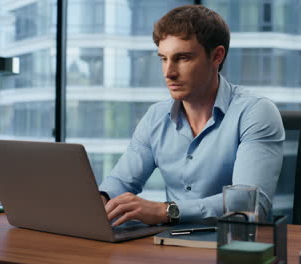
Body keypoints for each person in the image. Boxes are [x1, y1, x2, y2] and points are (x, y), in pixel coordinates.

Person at [99, 5, 284, 227]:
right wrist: (101, 199)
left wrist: (167, 211)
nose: (169, 72)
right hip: (170, 245)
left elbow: (249, 204)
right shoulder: (156, 116)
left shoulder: (255, 112)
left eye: (182, 58)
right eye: (163, 59)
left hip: (234, 246)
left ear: (217, 56)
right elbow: (121, 180)